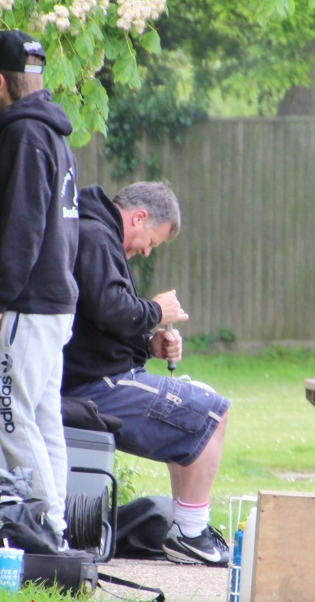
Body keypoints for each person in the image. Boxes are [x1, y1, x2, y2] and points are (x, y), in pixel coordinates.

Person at [62, 182, 231, 567]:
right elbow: (110, 308)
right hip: (95, 386)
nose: (147, 251)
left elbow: (99, 322)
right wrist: (155, 311)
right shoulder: (95, 236)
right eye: (151, 240)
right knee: (211, 411)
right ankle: (190, 535)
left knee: (198, 400)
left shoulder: (96, 233)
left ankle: (186, 528)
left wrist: (149, 344)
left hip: (97, 376)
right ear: (139, 217)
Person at [0, 30, 80, 543]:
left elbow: (22, 225)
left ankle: (47, 531)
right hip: (53, 303)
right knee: (43, 418)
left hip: (26, 306)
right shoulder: (53, 133)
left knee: (11, 417)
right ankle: (58, 530)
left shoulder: (25, 135)